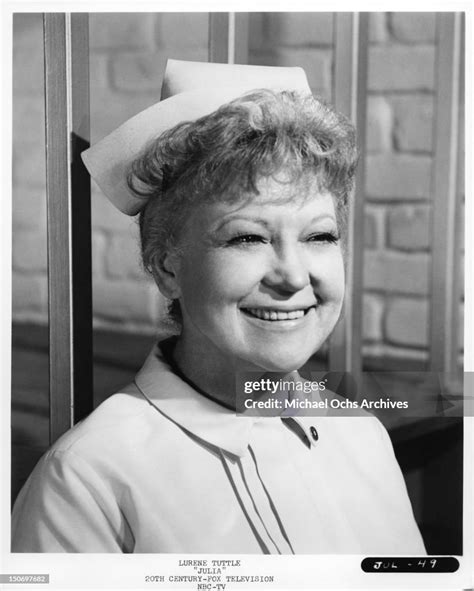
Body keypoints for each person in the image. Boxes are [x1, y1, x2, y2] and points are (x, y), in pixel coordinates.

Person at [11, 60, 425, 554]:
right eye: (247, 237)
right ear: (166, 267)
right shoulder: (86, 480)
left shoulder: (363, 435)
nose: (293, 275)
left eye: (320, 235)